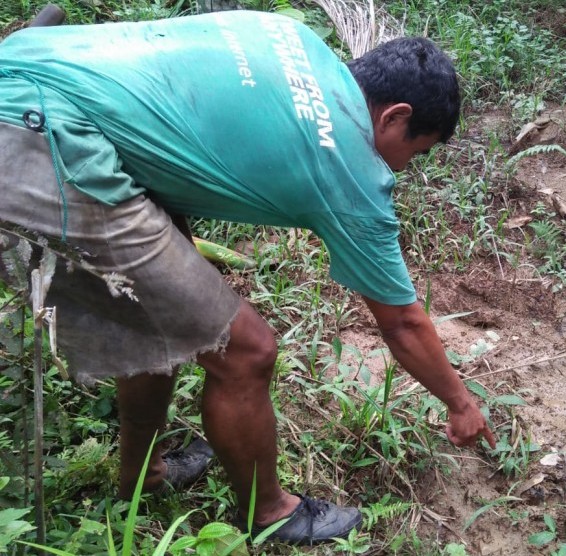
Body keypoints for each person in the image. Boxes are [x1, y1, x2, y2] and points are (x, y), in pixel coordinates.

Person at [0, 8, 496, 545]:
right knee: (247, 351)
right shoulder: (349, 166)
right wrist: (461, 403)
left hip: (31, 69)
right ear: (394, 116)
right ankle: (270, 513)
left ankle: (141, 478)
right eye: (414, 154)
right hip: (43, 144)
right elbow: (401, 324)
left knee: (162, 312)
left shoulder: (292, 37)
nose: (402, 170)